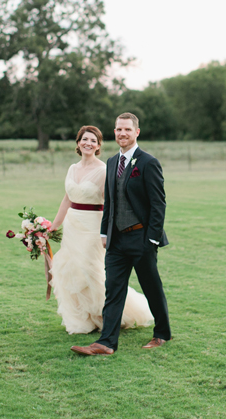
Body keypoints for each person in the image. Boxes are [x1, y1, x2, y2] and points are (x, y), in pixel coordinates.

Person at [71, 113, 172, 356]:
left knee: (151, 287)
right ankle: (106, 343)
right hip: (116, 241)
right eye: (118, 130)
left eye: (127, 129)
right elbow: (111, 203)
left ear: (137, 132)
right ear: (114, 132)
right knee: (113, 290)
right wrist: (105, 232)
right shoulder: (112, 162)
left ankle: (162, 334)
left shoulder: (148, 162)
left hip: (141, 238)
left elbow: (158, 205)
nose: (122, 133)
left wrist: (152, 239)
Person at [50, 125, 153, 334]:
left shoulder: (104, 170)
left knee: (91, 270)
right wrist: (53, 226)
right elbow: (67, 199)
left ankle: (107, 315)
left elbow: (111, 203)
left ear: (98, 146)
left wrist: (111, 231)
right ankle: (83, 317)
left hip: (92, 226)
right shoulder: (72, 168)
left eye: (93, 141)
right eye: (84, 139)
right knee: (71, 271)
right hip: (72, 226)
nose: (88, 143)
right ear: (78, 143)